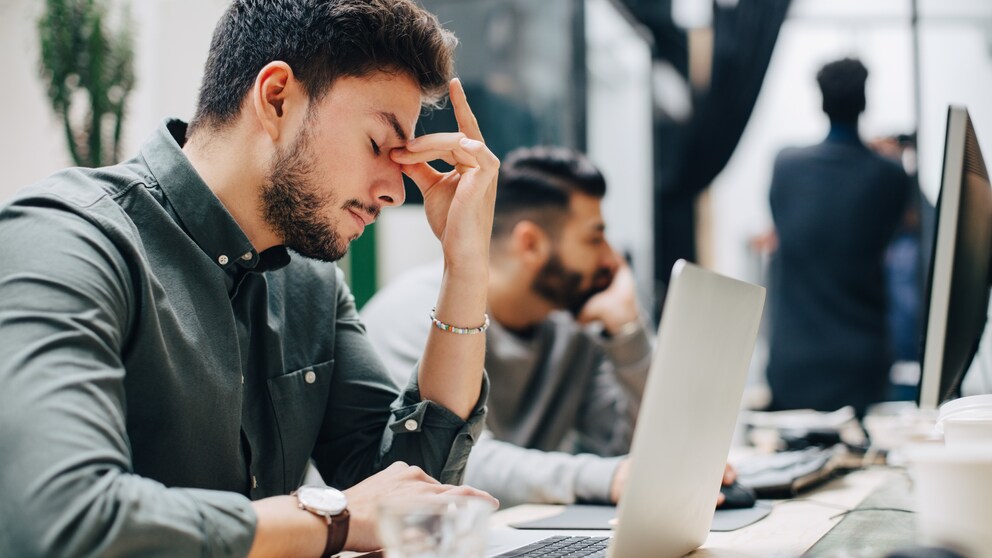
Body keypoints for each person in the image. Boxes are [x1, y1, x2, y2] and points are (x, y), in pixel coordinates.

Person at [0, 1, 501, 556]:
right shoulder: (68, 238)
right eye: (380, 145)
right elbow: (62, 519)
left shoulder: (311, 282)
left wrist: (465, 262)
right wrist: (326, 517)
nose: (395, 190)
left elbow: (405, 492)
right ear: (277, 97)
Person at [363, 146, 737, 507]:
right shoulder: (414, 315)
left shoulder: (573, 329)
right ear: (531, 243)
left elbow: (631, 449)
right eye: (594, 237)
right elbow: (449, 465)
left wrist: (627, 334)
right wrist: (606, 479)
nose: (611, 259)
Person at [765, 57, 912, 417]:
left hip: (794, 365)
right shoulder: (891, 176)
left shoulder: (786, 165)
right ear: (864, 104)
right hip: (861, 364)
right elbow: (891, 233)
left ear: (821, 103)